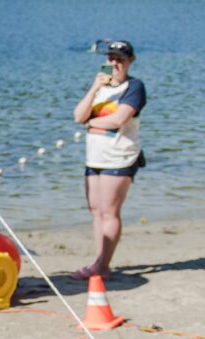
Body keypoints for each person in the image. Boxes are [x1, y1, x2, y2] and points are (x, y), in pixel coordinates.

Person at [72, 40, 146, 280]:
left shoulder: (134, 87)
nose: (115, 64)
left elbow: (118, 120)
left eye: (120, 59)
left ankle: (103, 265)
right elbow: (78, 116)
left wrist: (91, 123)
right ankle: (99, 261)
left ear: (130, 61)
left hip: (119, 158)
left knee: (110, 211)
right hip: (95, 158)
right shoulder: (101, 88)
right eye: (111, 59)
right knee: (96, 210)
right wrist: (94, 87)